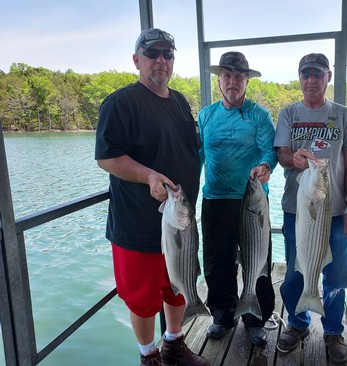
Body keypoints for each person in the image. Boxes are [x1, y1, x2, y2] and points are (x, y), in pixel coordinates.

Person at [95, 28, 209, 366]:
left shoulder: (178, 101)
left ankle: (174, 343)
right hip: (138, 224)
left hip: (182, 219)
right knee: (142, 298)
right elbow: (107, 157)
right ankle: (149, 355)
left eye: (167, 54)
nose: (161, 60)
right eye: (153, 53)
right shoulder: (121, 103)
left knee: (178, 286)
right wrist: (148, 176)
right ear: (137, 60)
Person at [273, 53, 347, 363]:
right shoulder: (288, 113)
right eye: (305, 74)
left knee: (336, 276)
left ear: (328, 77)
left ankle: (334, 331)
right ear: (299, 78)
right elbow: (282, 154)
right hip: (297, 209)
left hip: (335, 211)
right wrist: (292, 158)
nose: (311, 79)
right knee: (297, 271)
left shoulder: (341, 114)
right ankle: (297, 323)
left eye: (317, 74)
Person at [197, 51, 277, 347]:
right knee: (217, 262)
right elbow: (199, 157)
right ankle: (223, 313)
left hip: (251, 202)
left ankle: (256, 318)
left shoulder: (259, 115)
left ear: (246, 81)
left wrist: (266, 166)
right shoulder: (206, 115)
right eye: (226, 76)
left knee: (258, 261)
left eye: (238, 77)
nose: (232, 82)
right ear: (219, 81)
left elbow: (270, 150)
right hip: (215, 200)